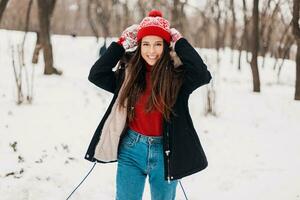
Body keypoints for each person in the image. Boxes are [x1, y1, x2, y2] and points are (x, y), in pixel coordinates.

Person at [85, 10, 212, 200]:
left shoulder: (178, 78)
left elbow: (202, 75)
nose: (151, 51)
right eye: (146, 44)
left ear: (166, 46)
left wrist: (180, 42)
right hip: (131, 150)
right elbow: (96, 74)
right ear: (139, 45)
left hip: (165, 153)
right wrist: (120, 45)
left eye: (158, 44)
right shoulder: (128, 76)